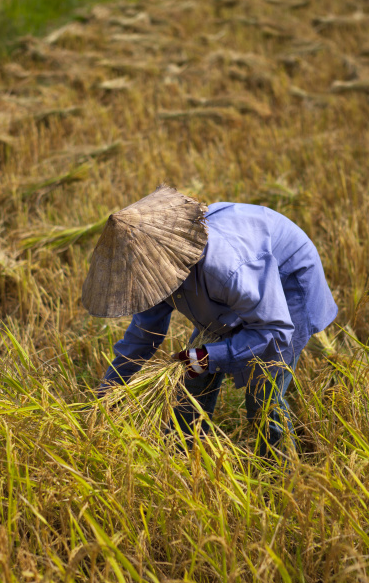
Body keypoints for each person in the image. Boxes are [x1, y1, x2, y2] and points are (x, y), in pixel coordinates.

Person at [82, 184, 337, 458]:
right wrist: (106, 397)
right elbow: (142, 338)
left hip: (287, 284)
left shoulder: (226, 270)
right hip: (241, 291)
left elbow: (273, 328)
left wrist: (209, 355)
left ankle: (282, 476)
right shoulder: (153, 275)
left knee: (264, 398)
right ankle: (180, 457)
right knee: (190, 385)